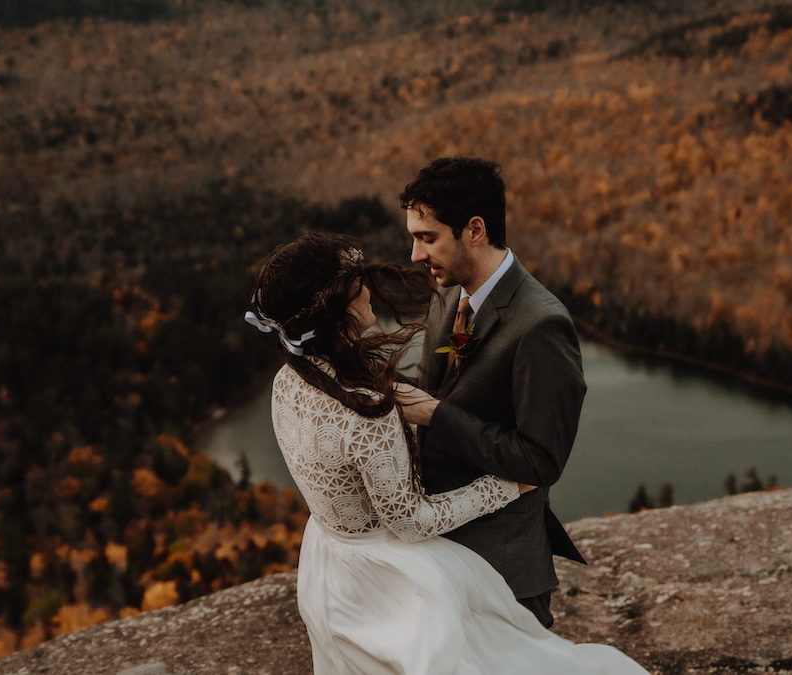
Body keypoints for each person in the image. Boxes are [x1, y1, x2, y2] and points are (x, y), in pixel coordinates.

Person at [247, 231, 646, 673]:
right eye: (357, 284)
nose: (367, 289)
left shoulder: (288, 382)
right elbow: (409, 521)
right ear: (339, 308)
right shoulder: (366, 411)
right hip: (388, 577)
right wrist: (505, 487)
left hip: (328, 565)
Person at [398, 155, 587, 629]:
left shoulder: (542, 324)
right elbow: (435, 388)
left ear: (475, 229)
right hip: (438, 557)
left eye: (427, 238)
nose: (416, 256)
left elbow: (542, 460)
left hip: (503, 572)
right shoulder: (447, 292)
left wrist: (435, 416)